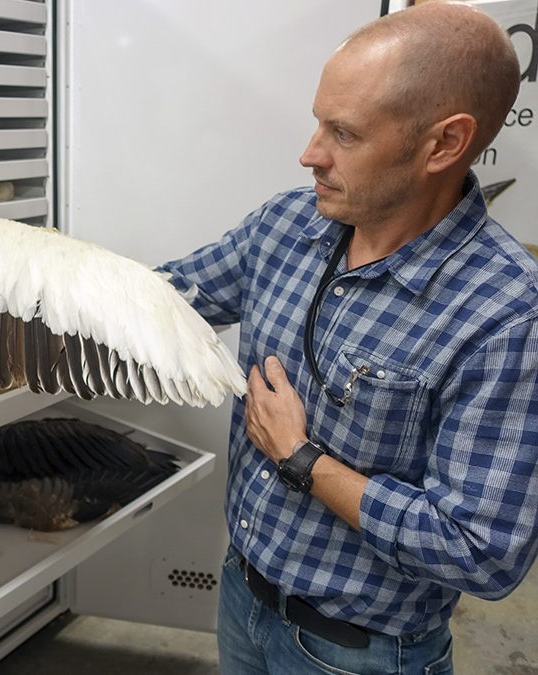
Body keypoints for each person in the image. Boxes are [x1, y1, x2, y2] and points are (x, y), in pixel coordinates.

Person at [157, 2, 538, 673]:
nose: (310, 154)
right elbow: (159, 299)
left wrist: (304, 460)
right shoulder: (287, 226)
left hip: (354, 654)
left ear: (444, 145)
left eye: (345, 133)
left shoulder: (506, 313)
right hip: (244, 600)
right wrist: (1, 263)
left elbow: (483, 548)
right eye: (318, 121)